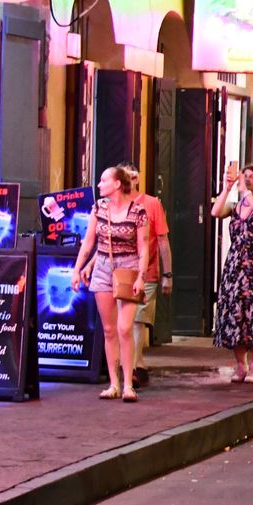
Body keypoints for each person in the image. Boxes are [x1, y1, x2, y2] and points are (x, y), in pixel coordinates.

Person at [71, 166, 150, 402]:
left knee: (124, 328)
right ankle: (114, 383)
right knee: (108, 329)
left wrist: (141, 276)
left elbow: (143, 247)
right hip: (103, 266)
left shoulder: (138, 211)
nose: (99, 185)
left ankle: (128, 384)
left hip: (128, 267)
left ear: (117, 184)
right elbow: (88, 243)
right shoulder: (99, 208)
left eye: (104, 180)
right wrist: (78, 269)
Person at [210, 162, 253, 384]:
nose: (246, 179)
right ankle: (241, 365)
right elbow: (215, 211)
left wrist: (246, 192)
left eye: (251, 177)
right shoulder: (235, 206)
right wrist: (227, 188)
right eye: (244, 175)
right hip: (235, 266)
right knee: (235, 314)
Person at [120, 164, 170, 388]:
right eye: (125, 175)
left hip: (146, 271)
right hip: (119, 272)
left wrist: (167, 273)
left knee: (138, 320)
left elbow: (162, 240)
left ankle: (131, 369)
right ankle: (136, 364)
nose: (130, 179)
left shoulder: (151, 204)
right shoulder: (112, 203)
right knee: (123, 322)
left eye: (134, 175)